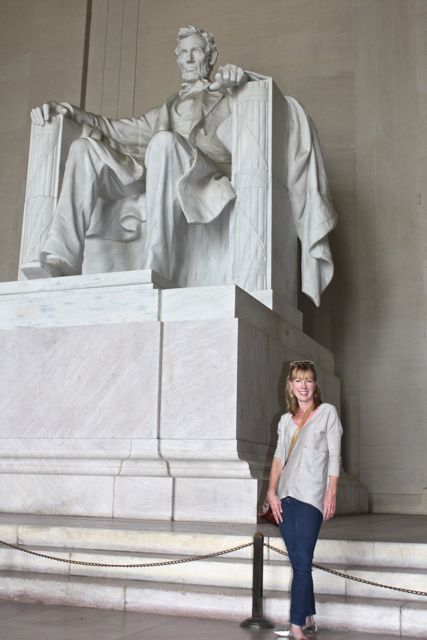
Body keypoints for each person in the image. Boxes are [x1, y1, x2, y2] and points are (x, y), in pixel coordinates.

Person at [30, 25, 248, 279]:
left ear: (210, 57)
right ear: (177, 58)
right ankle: (62, 257)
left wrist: (240, 83)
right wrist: (69, 111)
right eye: (183, 53)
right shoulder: (164, 110)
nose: (189, 59)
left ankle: (156, 264)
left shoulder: (227, 99)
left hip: (199, 176)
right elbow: (117, 129)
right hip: (152, 173)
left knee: (163, 143)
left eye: (196, 51)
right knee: (83, 148)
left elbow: (251, 123)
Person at [267, 360, 342, 639]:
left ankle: (296, 625)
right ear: (290, 385)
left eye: (308, 380)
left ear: (315, 384)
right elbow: (278, 457)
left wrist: (331, 492)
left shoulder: (327, 413)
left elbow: (334, 455)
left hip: (312, 497)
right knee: (299, 562)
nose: (303, 386)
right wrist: (271, 492)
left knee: (302, 561)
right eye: (298, 380)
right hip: (285, 496)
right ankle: (308, 618)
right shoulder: (285, 420)